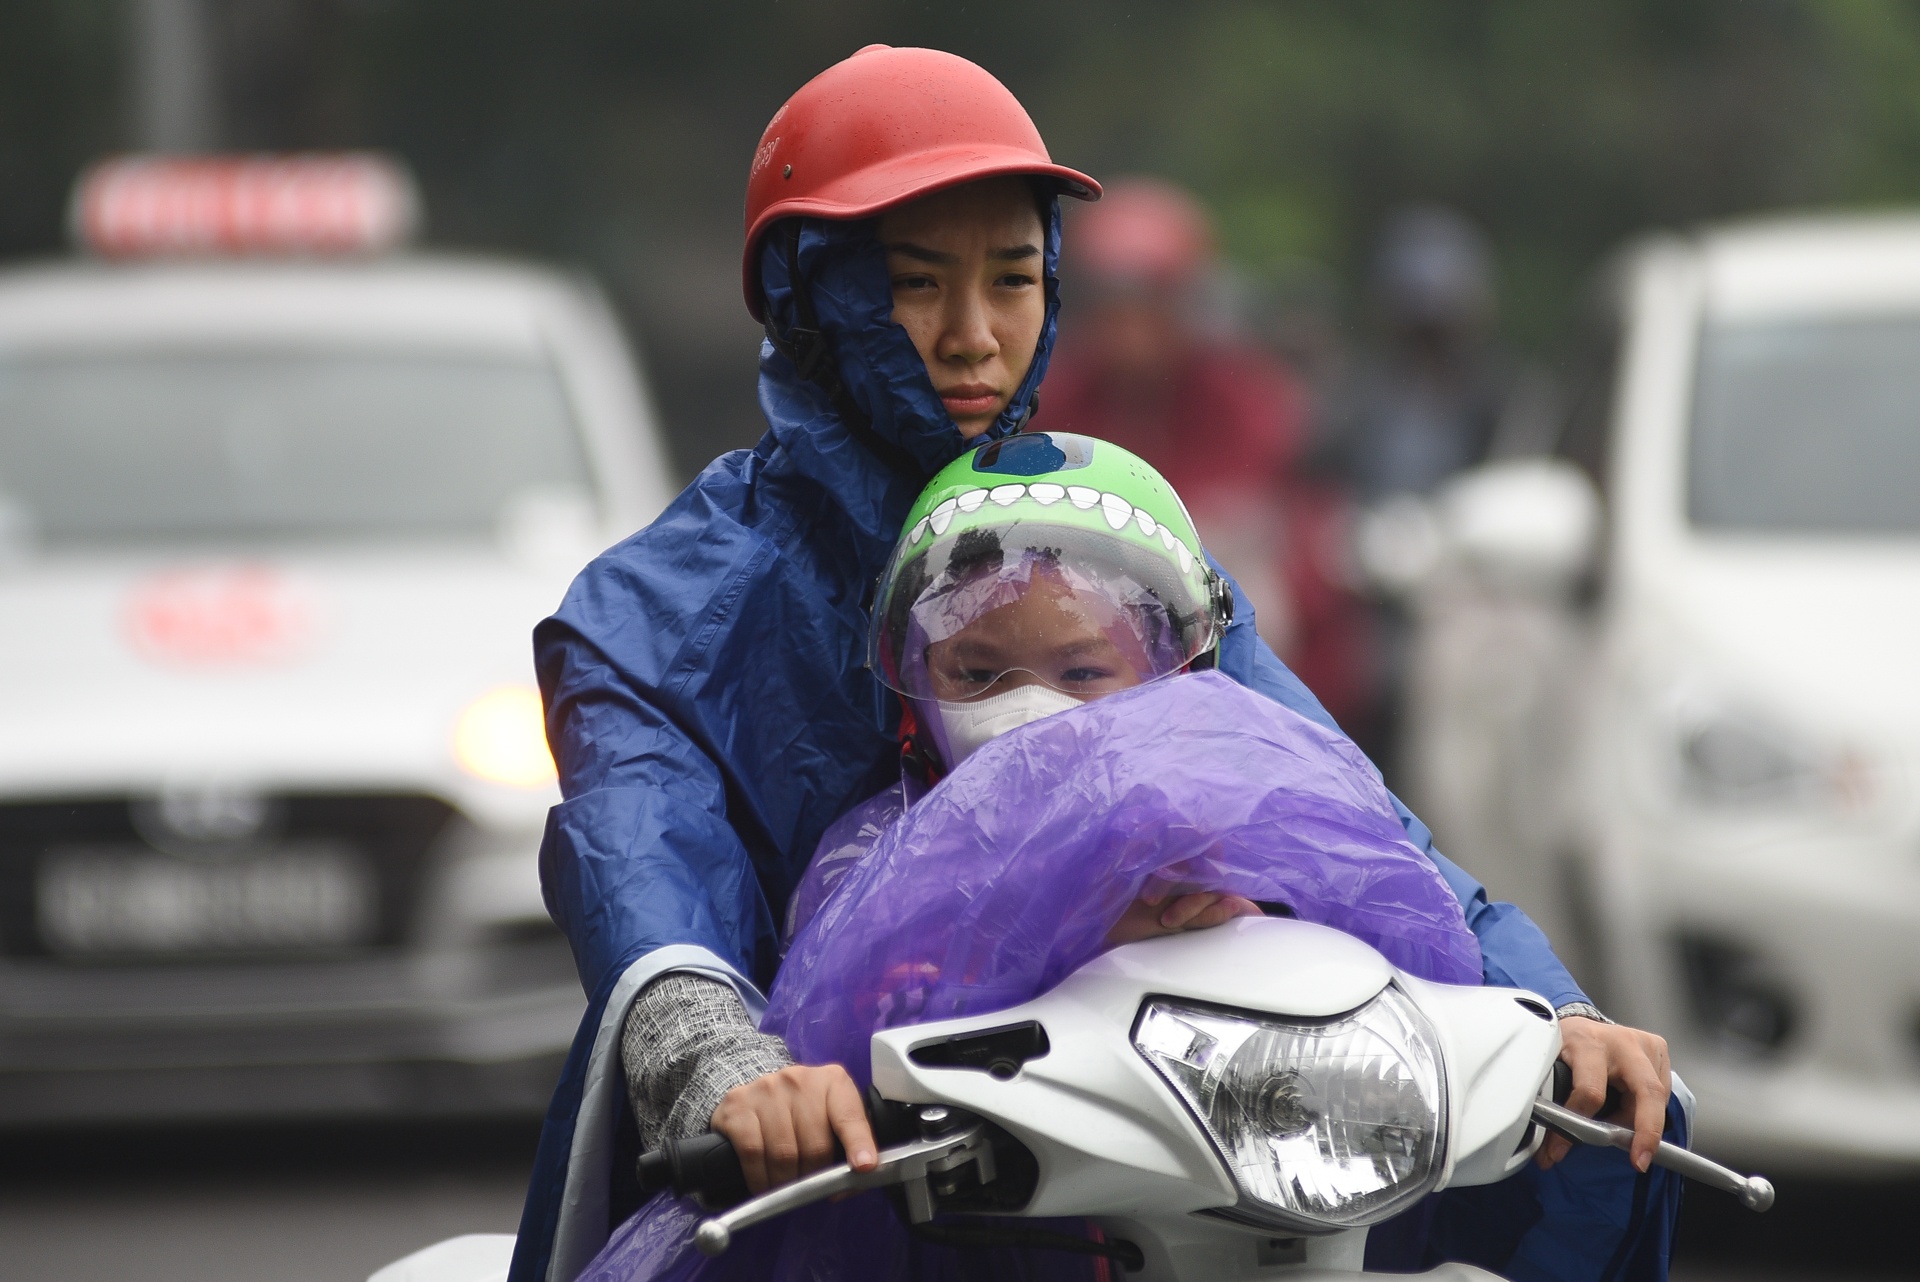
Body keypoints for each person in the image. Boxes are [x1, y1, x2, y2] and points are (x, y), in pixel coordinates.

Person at [510, 46, 1672, 1282]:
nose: (973, 337)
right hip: (828, 1168)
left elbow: (1336, 810)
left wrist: (1560, 1011)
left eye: (1013, 279)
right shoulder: (657, 611)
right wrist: (717, 1060)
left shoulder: (1113, 536)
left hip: (1166, 1141)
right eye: (913, 284)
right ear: (808, 296)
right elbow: (644, 862)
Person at [1036, 177, 1377, 737]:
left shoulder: (1247, 400)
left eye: (1148, 303)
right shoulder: (1055, 401)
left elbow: (1299, 545)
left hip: (1232, 666)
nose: (1129, 330)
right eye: (1113, 305)